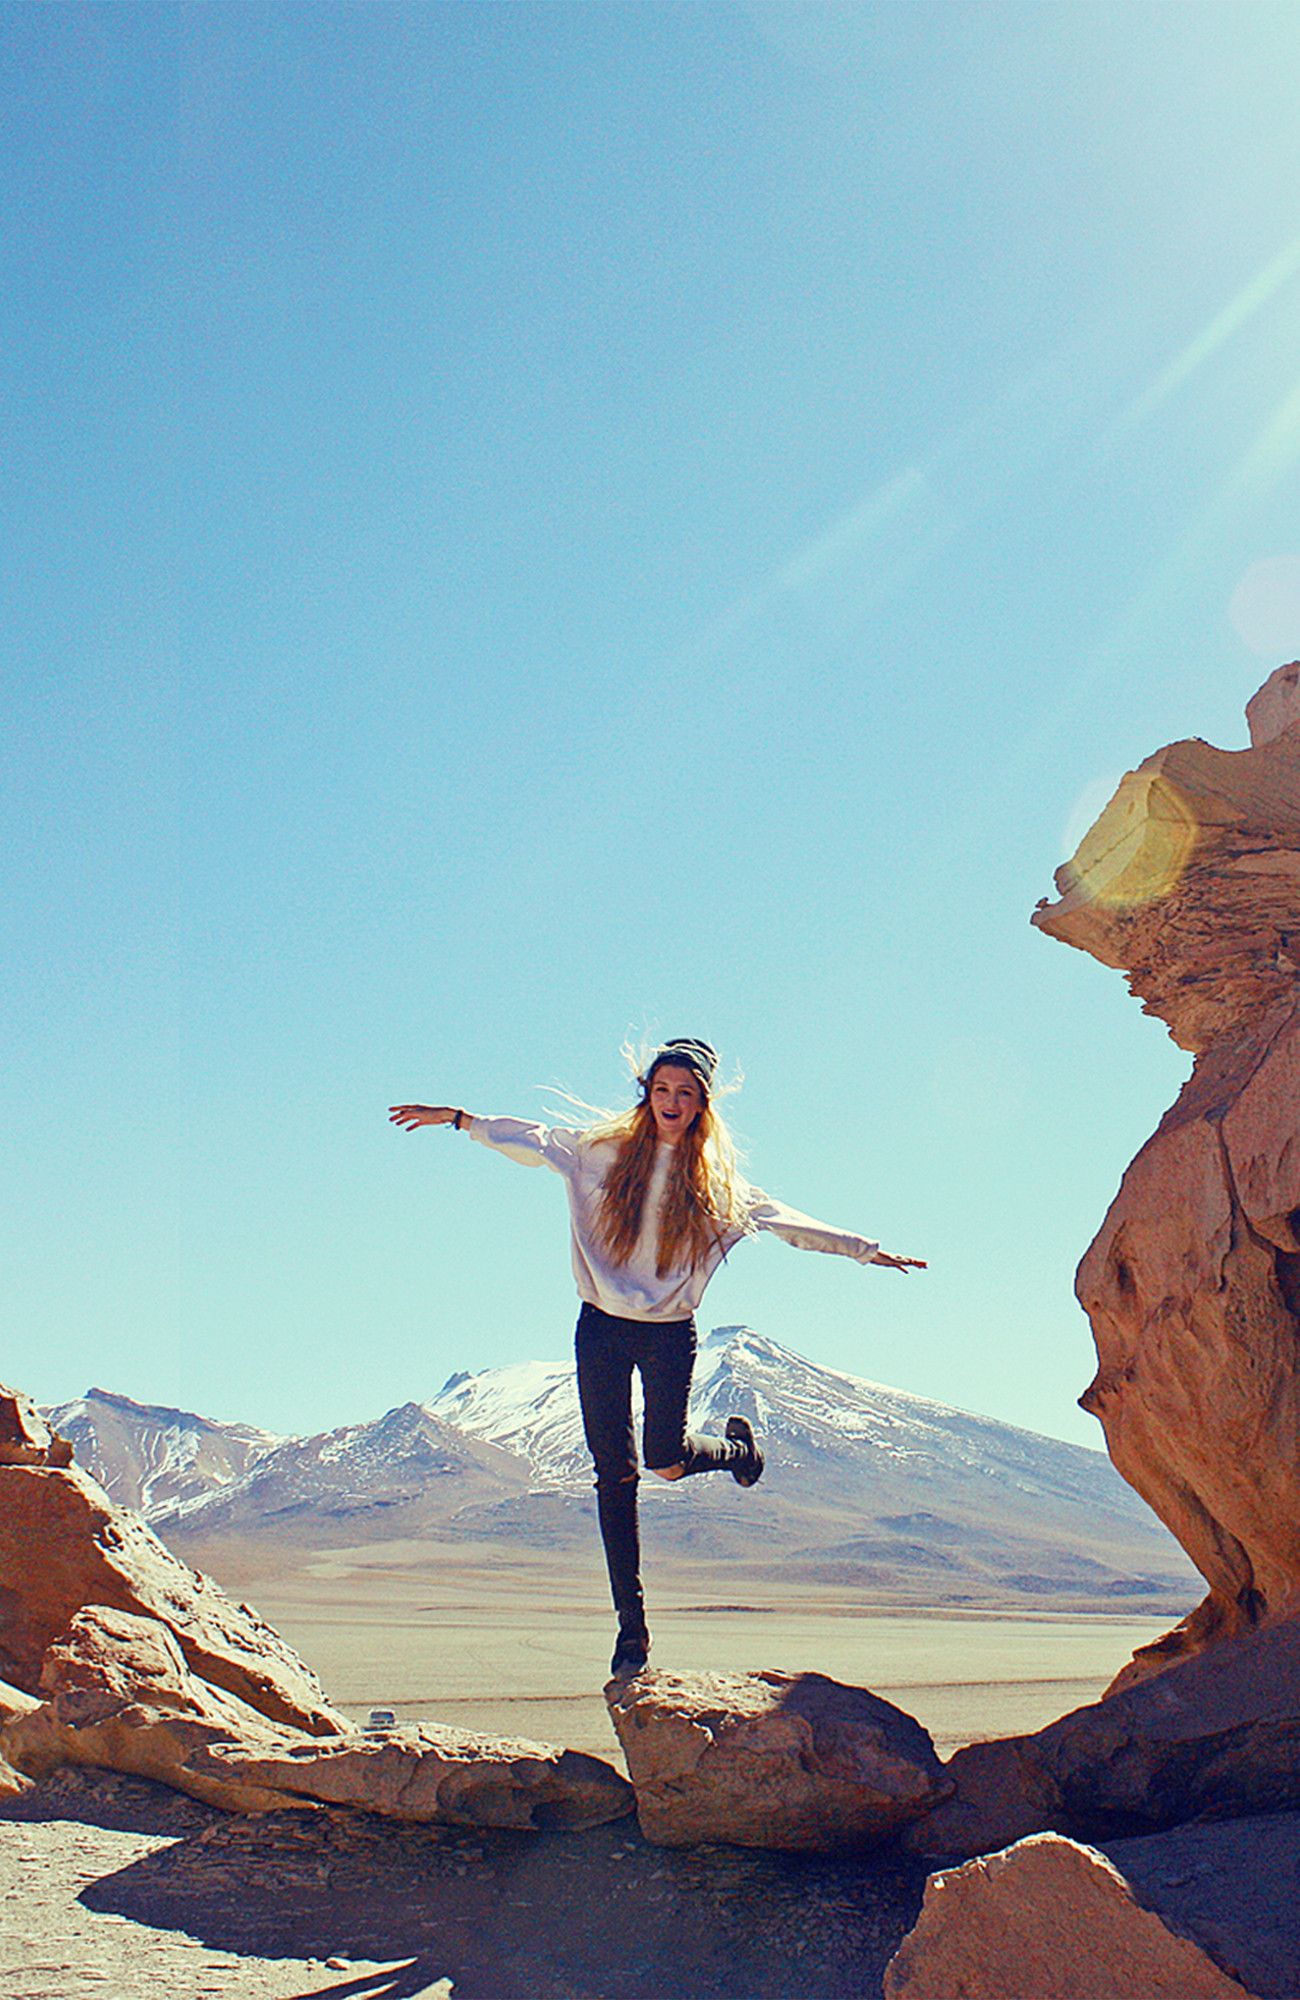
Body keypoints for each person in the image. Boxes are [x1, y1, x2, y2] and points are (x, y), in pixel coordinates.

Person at [390, 1037, 924, 1678]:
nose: (672, 1102)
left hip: (670, 1334)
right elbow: (530, 1139)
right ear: (648, 1094)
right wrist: (459, 1120)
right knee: (614, 1475)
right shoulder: (599, 1153)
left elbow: (792, 1224)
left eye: (686, 1093)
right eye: (662, 1089)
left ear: (702, 1105)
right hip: (601, 1331)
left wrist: (868, 1250)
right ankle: (632, 1634)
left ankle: (739, 1453)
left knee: (666, 1463)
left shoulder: (720, 1186)